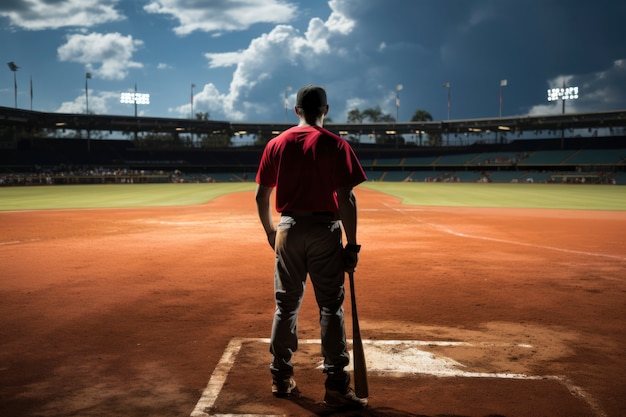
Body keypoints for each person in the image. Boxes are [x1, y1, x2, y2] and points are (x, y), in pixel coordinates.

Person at [255, 85, 367, 409]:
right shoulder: (335, 144)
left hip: (287, 229)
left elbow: (262, 197)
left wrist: (269, 232)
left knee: (285, 306)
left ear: (296, 110)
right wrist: (352, 245)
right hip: (324, 230)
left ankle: (280, 377)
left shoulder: (276, 144)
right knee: (330, 307)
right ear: (326, 110)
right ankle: (335, 386)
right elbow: (346, 198)